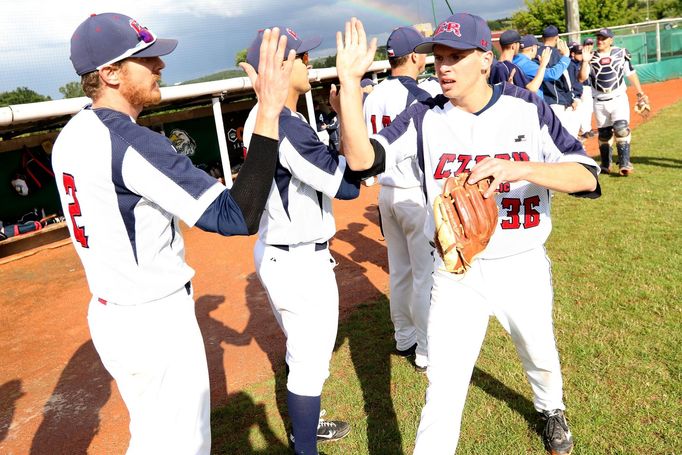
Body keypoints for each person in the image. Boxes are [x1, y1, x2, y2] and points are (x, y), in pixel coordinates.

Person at [334, 14, 601, 455]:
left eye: (456, 57)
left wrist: (520, 168)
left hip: (521, 261)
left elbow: (587, 176)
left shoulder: (526, 106)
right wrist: (348, 84)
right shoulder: (422, 116)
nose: (444, 67)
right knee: (444, 384)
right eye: (438, 57)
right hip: (454, 269)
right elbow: (364, 161)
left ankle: (551, 408)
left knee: (538, 352)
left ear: (484, 60)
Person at [51, 13, 294, 455]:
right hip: (151, 319)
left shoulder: (71, 133)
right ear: (109, 74)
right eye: (145, 59)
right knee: (182, 445)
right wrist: (271, 111)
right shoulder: (130, 141)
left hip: (112, 311)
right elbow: (238, 215)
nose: (160, 65)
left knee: (152, 439)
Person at [242, 25, 361, 455]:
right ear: (279, 66)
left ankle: (305, 428)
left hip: (281, 251)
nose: (309, 63)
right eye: (301, 57)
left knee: (302, 353)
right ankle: (305, 446)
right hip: (297, 259)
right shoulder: (286, 126)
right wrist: (350, 113)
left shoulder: (264, 116)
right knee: (310, 362)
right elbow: (347, 185)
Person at [362, 26, 439, 373]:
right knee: (424, 276)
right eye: (421, 52)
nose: (424, 58)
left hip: (385, 192)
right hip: (412, 192)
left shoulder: (373, 95)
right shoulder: (422, 92)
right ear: (411, 57)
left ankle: (404, 336)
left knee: (400, 271)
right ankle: (423, 348)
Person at [579, 27, 646, 175]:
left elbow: (631, 74)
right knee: (604, 134)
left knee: (621, 129)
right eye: (598, 38)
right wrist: (585, 61)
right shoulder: (591, 56)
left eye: (603, 38)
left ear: (611, 40)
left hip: (618, 99)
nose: (600, 41)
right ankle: (605, 164)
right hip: (599, 101)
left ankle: (624, 163)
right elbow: (582, 78)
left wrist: (640, 93)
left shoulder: (620, 53)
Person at [537, 26, 581, 138]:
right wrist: (572, 98)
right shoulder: (559, 54)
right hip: (558, 101)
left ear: (542, 38)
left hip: (540, 102)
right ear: (557, 38)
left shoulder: (534, 53)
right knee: (565, 138)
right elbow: (566, 79)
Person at [490, 29, 551, 94]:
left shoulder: (493, 66)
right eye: (518, 43)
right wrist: (543, 65)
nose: (519, 46)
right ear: (513, 46)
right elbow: (532, 89)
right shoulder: (511, 68)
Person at [513, 34, 570, 102]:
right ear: (533, 48)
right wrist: (565, 57)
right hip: (531, 103)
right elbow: (552, 74)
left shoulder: (514, 61)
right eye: (537, 47)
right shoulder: (527, 64)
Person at [568, 41, 595, 140]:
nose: (581, 55)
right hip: (576, 93)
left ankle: (585, 130)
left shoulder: (580, 63)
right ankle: (583, 132)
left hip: (582, 90)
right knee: (578, 114)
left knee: (586, 110)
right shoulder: (570, 64)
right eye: (579, 53)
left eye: (582, 53)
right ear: (572, 53)